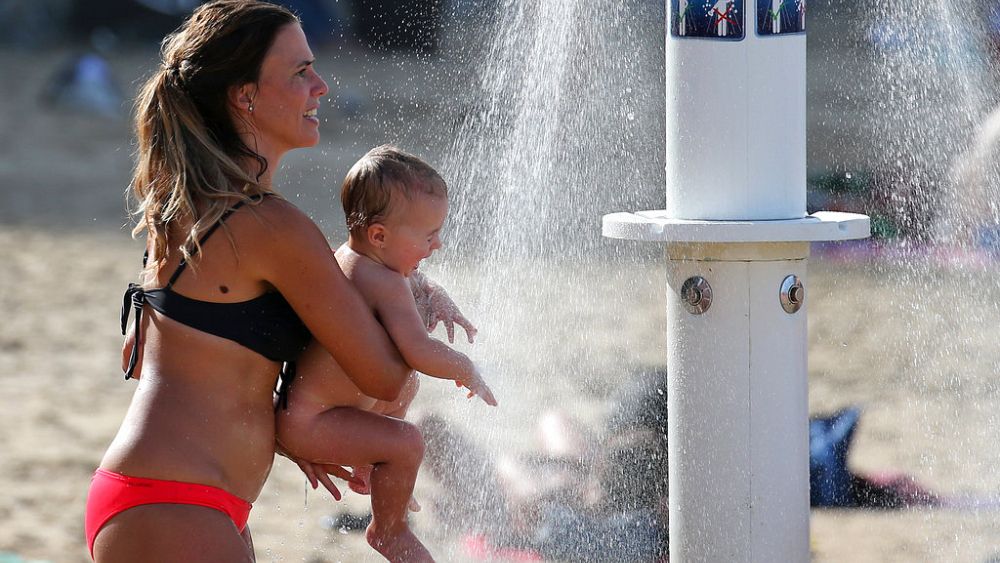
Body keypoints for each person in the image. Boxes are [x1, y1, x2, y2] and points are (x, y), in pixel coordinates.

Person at [85, 2, 425, 560]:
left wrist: (294, 432)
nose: (320, 86)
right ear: (245, 96)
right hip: (176, 502)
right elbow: (384, 376)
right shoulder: (271, 226)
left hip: (168, 496)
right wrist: (403, 299)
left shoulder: (185, 208)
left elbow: (192, 367)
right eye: (299, 72)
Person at [275, 145, 497, 562]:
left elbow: (413, 281)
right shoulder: (387, 284)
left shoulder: (352, 260)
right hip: (314, 424)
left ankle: (370, 467)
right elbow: (417, 349)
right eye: (428, 235)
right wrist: (465, 367)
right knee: (408, 442)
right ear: (379, 235)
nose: (438, 244)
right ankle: (389, 531)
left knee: (403, 388)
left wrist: (434, 292)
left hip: (312, 413)